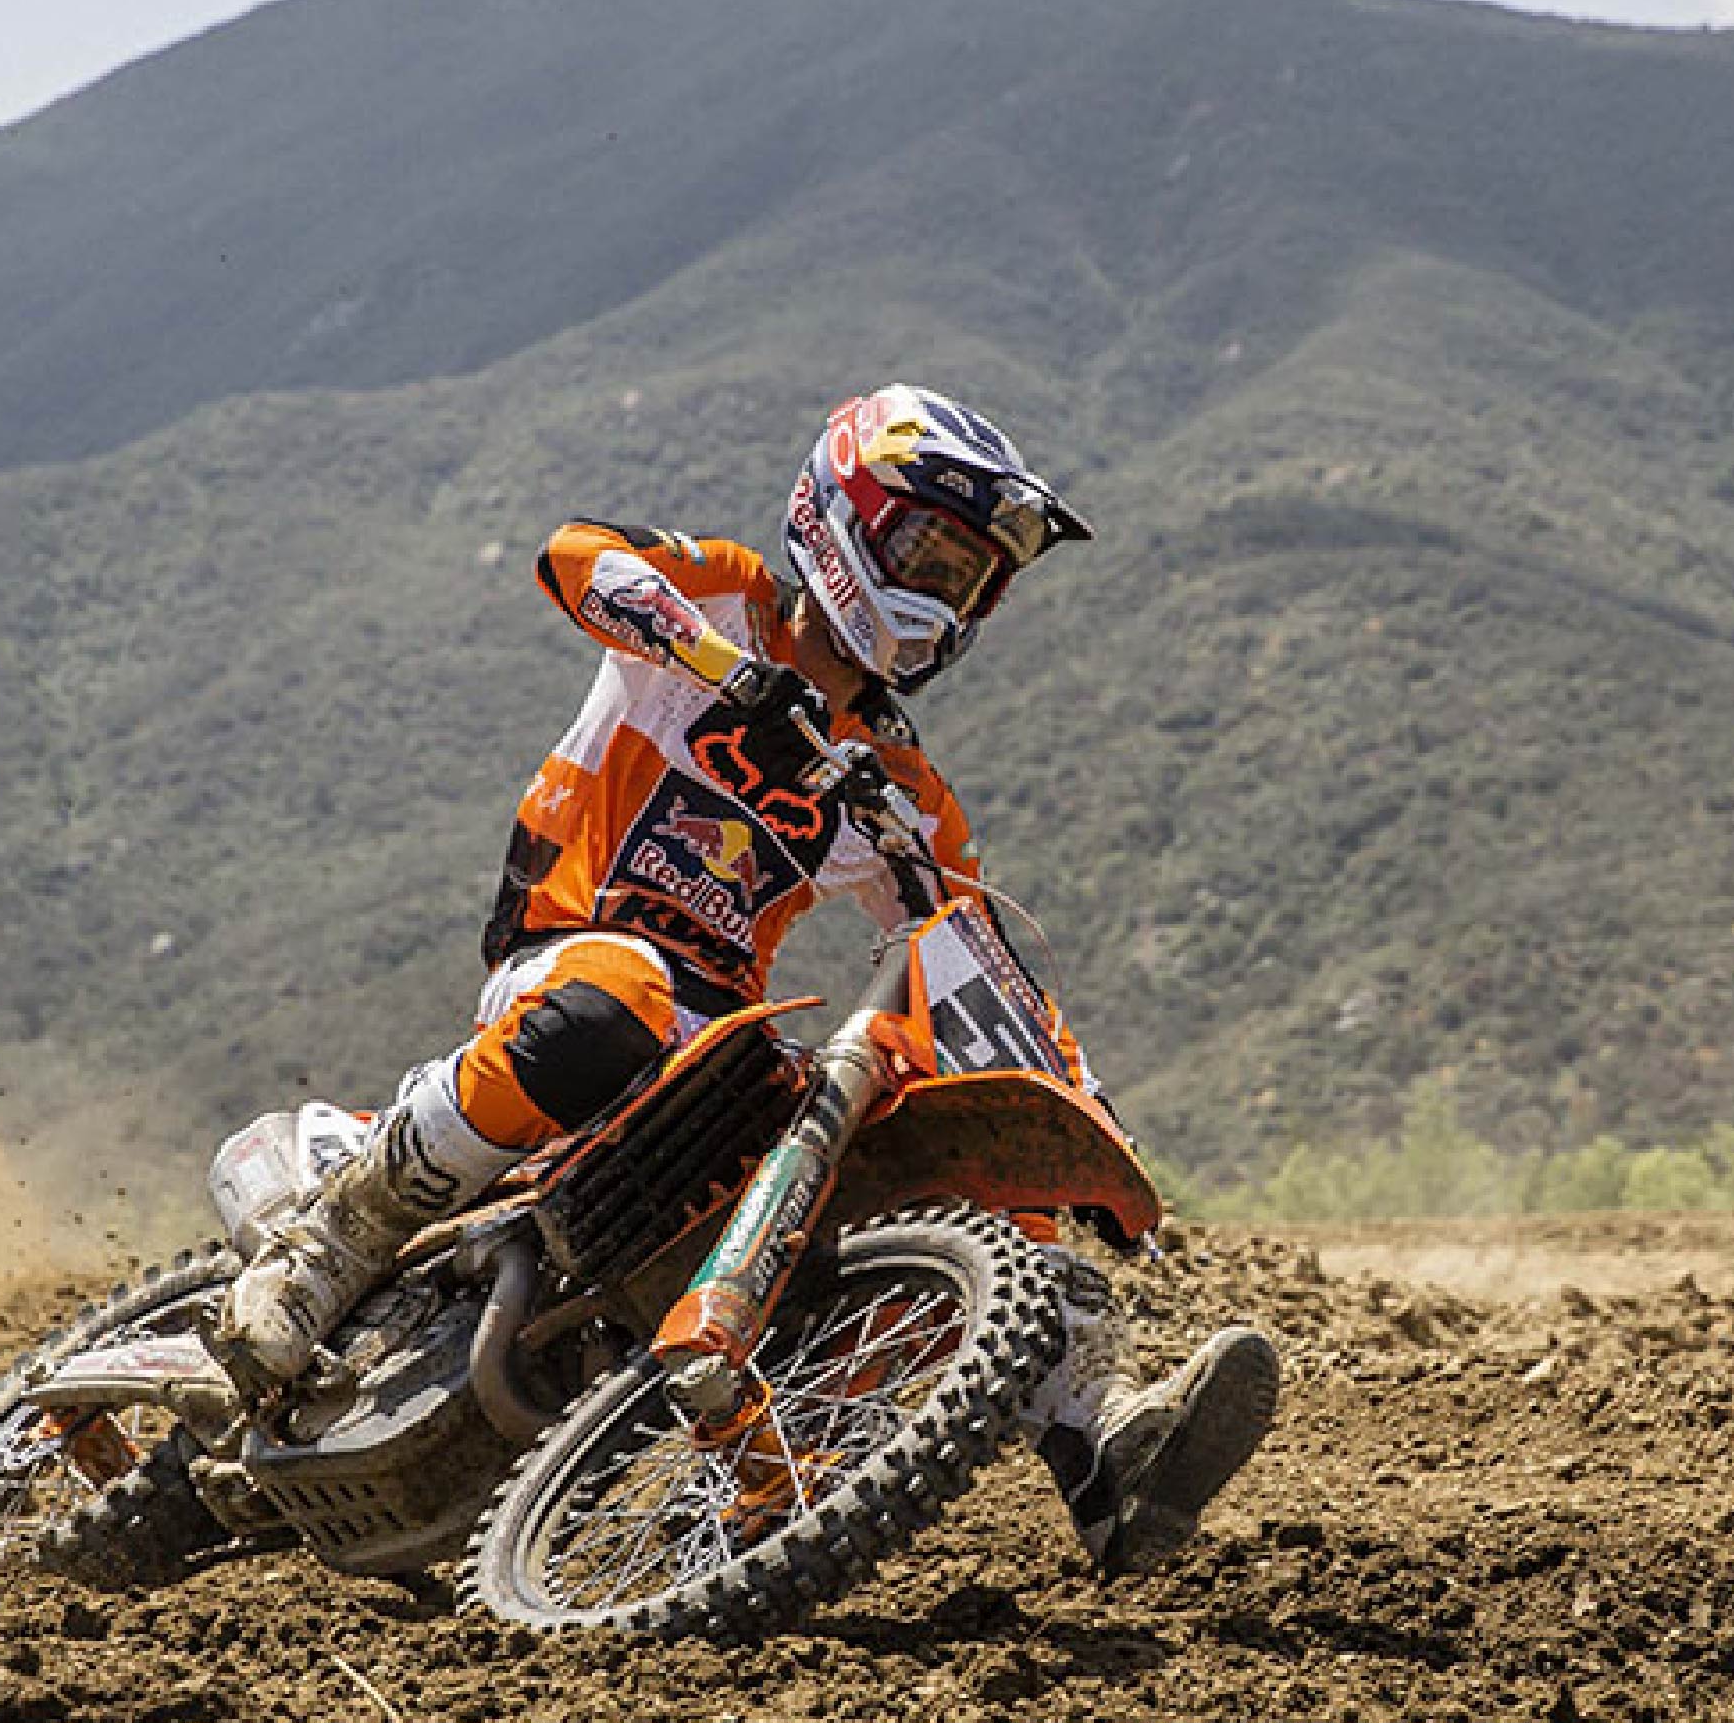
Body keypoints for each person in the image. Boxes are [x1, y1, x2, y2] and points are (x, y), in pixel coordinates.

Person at [219, 383, 1278, 1575]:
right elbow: (573, 556)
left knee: (926, 1156)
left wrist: (1071, 1110)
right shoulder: (723, 597)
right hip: (571, 954)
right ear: (841, 518)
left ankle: (1100, 1449)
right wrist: (726, 670)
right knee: (621, 997)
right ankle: (333, 1237)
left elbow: (970, 952)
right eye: (926, 556)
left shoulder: (898, 784)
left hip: (716, 1045)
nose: (941, 597)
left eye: (969, 580)